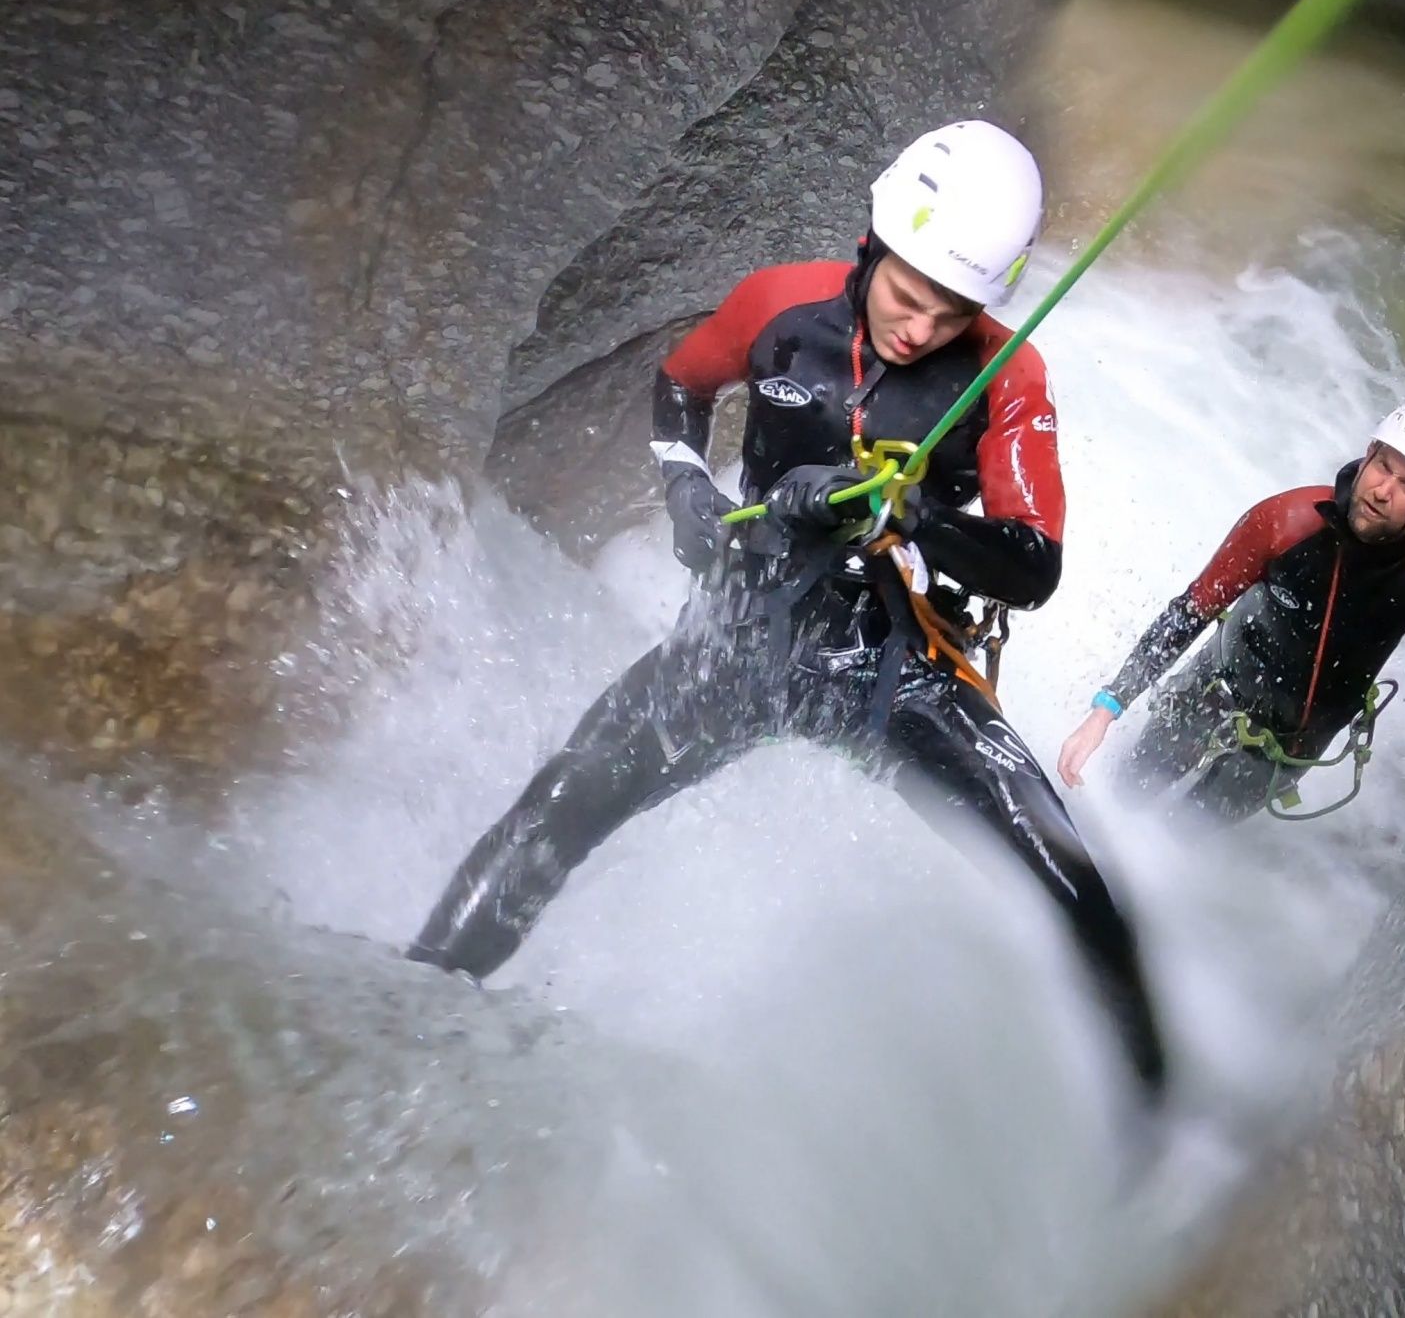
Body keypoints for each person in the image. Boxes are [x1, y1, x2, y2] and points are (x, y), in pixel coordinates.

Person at [408, 121, 1166, 1096]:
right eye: (906, 296)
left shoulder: (1005, 376)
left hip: (894, 664)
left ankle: (1161, 1121)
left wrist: (908, 519)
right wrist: (687, 488)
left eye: (951, 313)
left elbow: (1032, 566)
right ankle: (411, 1001)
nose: (919, 329)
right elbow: (680, 390)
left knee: (1071, 882)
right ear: (872, 244)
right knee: (553, 810)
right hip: (737, 637)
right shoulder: (777, 306)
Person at [1057, 396, 1405, 822]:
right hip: (1210, 690)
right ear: (1368, 453)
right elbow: (1190, 612)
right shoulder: (1283, 522)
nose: (1381, 490)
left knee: (1181, 836)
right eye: (1383, 465)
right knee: (1122, 795)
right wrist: (1105, 710)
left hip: (1280, 753)